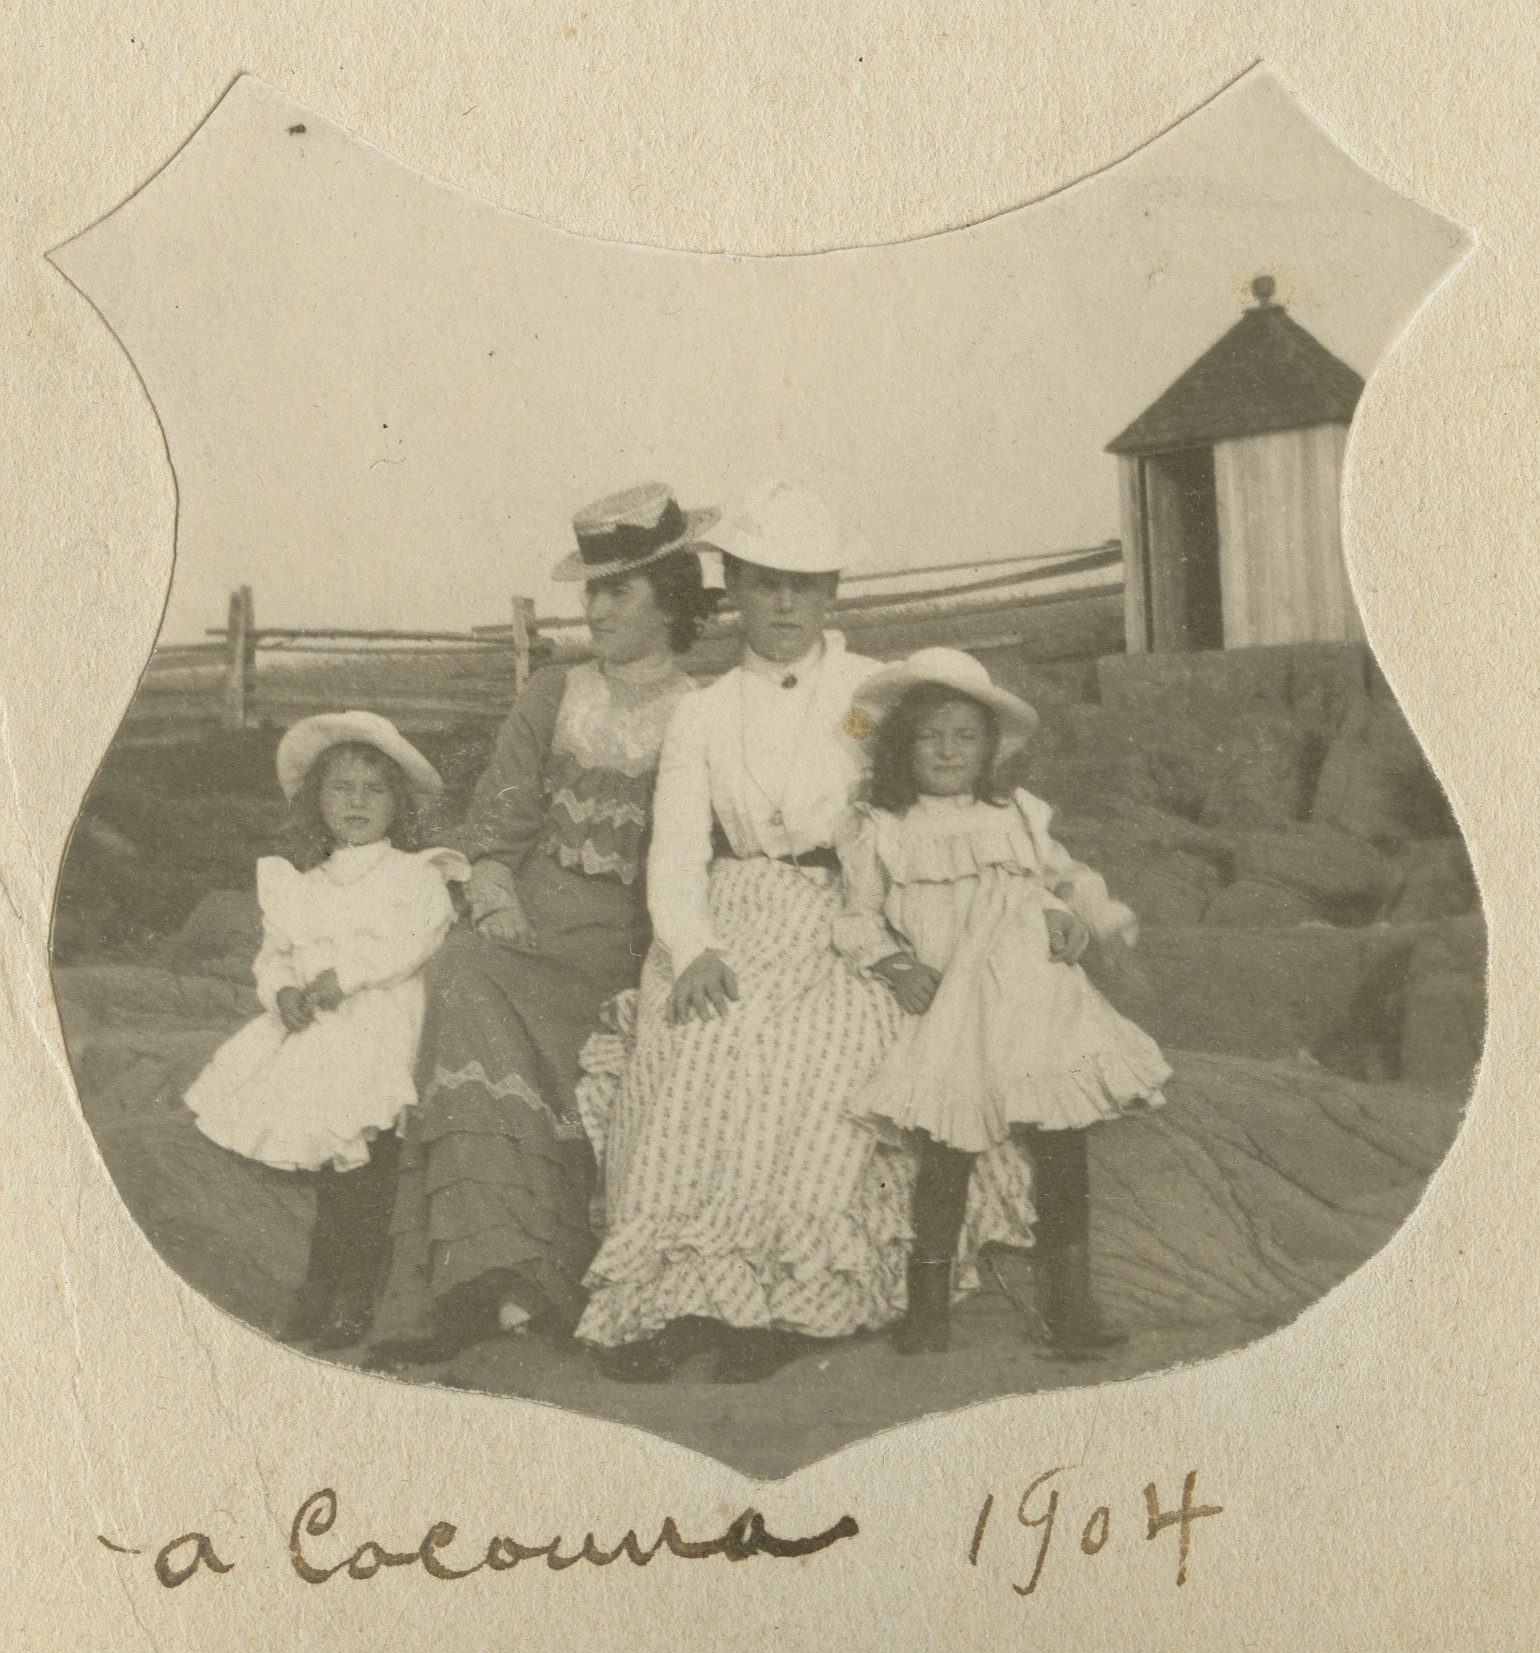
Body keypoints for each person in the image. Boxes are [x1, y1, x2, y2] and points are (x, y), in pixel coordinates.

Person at [576, 483, 1037, 1384]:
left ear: (830, 592)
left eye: (803, 584)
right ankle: (672, 1297)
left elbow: (921, 808)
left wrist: (906, 946)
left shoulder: (871, 693)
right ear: (735, 588)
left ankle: (787, 1297)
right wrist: (693, 947)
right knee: (694, 1045)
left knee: (821, 1048)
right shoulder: (701, 712)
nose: (784, 604)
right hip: (732, 908)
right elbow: (674, 854)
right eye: (764, 583)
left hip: (850, 912)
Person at [367, 483, 717, 1363]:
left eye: (616, 592)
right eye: (589, 590)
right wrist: (495, 891)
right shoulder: (555, 694)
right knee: (462, 971)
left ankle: (565, 1283)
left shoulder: (706, 711)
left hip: (637, 940)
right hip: (532, 923)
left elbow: (704, 859)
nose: (594, 608)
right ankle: (481, 1282)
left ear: (670, 599)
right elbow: (497, 831)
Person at [833, 648, 1171, 1359]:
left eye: (965, 735)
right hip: (958, 1001)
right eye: (931, 735)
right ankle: (927, 1308)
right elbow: (857, 916)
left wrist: (1068, 912)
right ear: (903, 744)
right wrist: (893, 964)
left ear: (990, 746)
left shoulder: (1015, 811)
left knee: (1061, 1141)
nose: (949, 749)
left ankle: (1070, 1304)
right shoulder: (884, 825)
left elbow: (1055, 878)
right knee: (948, 1145)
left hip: (1034, 993)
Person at [184, 711, 469, 1350]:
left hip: (381, 1023)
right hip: (321, 1029)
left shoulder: (415, 875)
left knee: (360, 1160)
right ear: (317, 801)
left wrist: (346, 976)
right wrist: (282, 990)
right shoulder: (300, 884)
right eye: (341, 789)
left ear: (399, 803)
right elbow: (276, 952)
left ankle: (349, 1291)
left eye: (375, 790)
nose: (357, 803)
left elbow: (414, 941)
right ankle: (321, 1287)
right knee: (330, 1153)